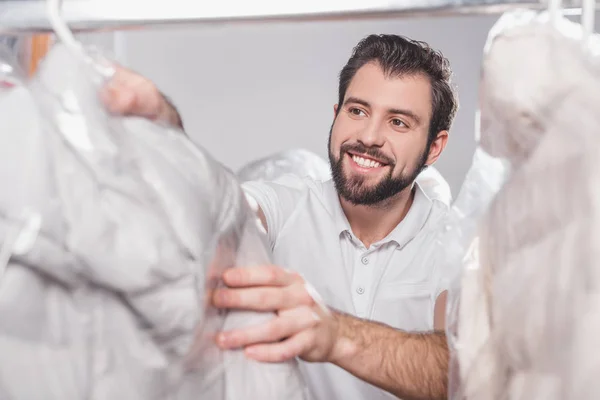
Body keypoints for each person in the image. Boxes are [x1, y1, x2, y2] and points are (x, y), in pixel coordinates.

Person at [102, 34, 458, 400]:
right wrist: (167, 131)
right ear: (336, 115)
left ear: (434, 146)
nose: (369, 136)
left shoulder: (457, 243)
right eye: (358, 111)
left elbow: (462, 372)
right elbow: (221, 207)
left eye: (398, 122)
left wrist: (335, 334)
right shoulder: (286, 204)